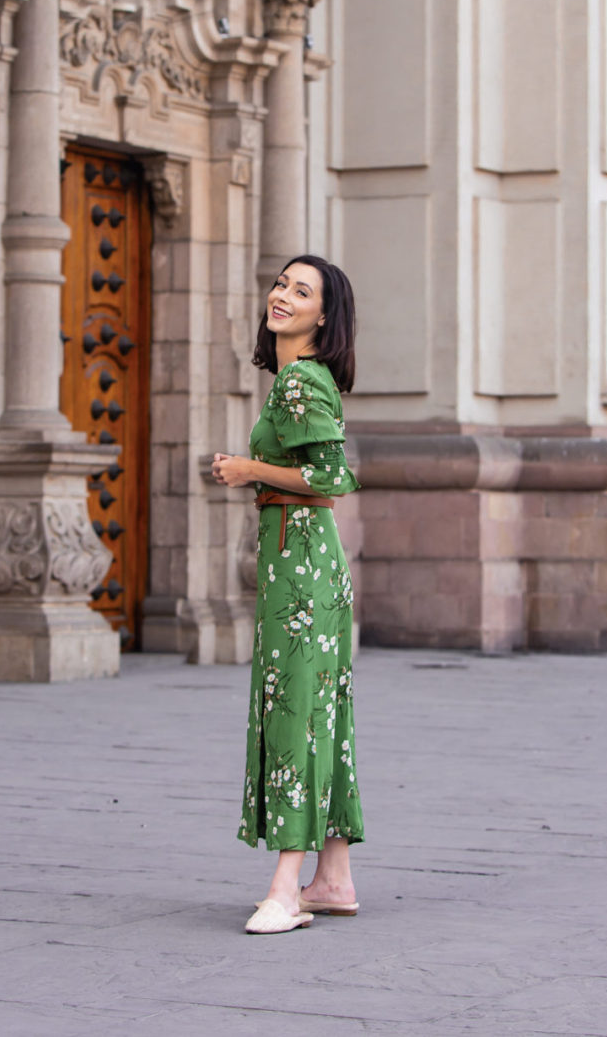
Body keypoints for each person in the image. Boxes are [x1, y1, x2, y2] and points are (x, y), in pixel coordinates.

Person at [212, 254, 364, 935]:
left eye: (301, 292)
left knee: (295, 714)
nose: (282, 296)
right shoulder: (299, 380)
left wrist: (247, 468)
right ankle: (331, 878)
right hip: (304, 561)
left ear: (323, 316)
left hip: (301, 567)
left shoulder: (303, 381)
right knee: (320, 711)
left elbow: (331, 477)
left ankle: (285, 888)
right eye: (281, 284)